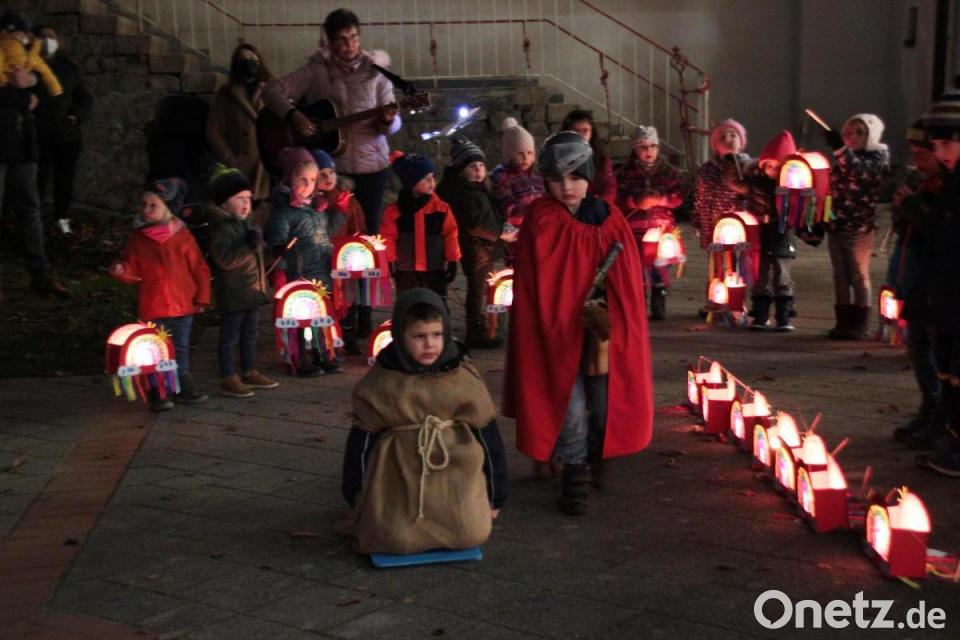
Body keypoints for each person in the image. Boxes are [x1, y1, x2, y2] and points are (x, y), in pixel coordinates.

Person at [503, 132, 653, 515]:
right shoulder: (542, 218)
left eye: (574, 177)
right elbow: (541, 280)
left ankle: (597, 454)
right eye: (555, 179)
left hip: (601, 334)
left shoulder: (610, 218)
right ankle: (574, 471)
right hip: (555, 333)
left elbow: (626, 282)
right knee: (567, 405)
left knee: (604, 402)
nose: (566, 187)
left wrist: (610, 317)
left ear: (588, 176)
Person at [341, 287, 507, 553]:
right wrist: (356, 495)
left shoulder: (462, 377)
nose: (429, 344)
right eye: (419, 336)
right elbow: (360, 445)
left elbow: (489, 440)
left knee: (470, 532)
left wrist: (495, 496)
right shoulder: (382, 381)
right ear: (400, 337)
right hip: (399, 476)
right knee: (394, 537)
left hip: (456, 476)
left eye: (437, 335)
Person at [263, 8, 400, 234]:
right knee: (332, 231)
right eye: (342, 40)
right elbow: (271, 90)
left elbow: (393, 126)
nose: (350, 45)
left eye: (354, 37)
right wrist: (292, 115)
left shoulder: (377, 73)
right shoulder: (315, 71)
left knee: (369, 230)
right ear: (330, 42)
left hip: (373, 166)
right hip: (331, 169)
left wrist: (387, 121)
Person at [108, 178, 211, 411]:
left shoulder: (182, 237)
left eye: (152, 205)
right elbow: (132, 268)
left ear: (168, 207)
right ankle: (159, 388)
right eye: (143, 204)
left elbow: (199, 268)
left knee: (181, 346)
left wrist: (202, 296)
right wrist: (122, 271)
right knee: (155, 348)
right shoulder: (138, 239)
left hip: (183, 306)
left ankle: (181, 383)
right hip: (153, 306)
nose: (145, 210)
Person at [0, 12, 67, 301]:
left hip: (23, 145)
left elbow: (47, 95)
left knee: (30, 210)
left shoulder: (31, 63)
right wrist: (22, 96)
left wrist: (29, 87)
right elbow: (26, 96)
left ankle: (40, 274)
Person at [912, 93, 960, 476]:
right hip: (942, 294)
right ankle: (948, 433)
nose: (941, 153)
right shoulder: (949, 184)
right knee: (946, 367)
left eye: (947, 143)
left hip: (954, 295)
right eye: (937, 145)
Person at [889, 122, 944, 448]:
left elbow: (938, 232)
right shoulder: (922, 184)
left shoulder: (945, 191)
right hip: (914, 281)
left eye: (923, 153)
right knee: (918, 345)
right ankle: (929, 408)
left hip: (936, 284)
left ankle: (941, 416)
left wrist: (912, 207)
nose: (917, 160)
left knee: (936, 351)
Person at [264, 147, 341, 375]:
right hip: (298, 275)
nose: (308, 185)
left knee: (320, 317)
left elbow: (327, 232)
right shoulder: (284, 212)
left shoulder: (318, 209)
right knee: (298, 321)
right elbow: (277, 239)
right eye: (302, 180)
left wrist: (340, 213)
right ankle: (298, 359)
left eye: (313, 180)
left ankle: (322, 353)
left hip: (320, 273)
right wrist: (280, 258)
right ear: (290, 179)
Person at [206, 165, 278, 398]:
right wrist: (249, 244)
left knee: (250, 333)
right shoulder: (220, 228)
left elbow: (257, 256)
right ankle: (228, 375)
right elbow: (225, 260)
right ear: (224, 202)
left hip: (251, 292)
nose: (246, 203)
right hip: (233, 293)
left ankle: (249, 370)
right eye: (239, 198)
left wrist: (265, 249)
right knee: (230, 336)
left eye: (248, 197)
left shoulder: (249, 224)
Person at [436, 137, 516, 349]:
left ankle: (486, 321)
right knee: (477, 286)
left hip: (486, 246)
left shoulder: (480, 188)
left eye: (481, 165)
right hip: (475, 247)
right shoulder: (463, 193)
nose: (479, 170)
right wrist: (499, 235)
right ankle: (475, 327)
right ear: (461, 169)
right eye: (472, 166)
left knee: (482, 285)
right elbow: (473, 224)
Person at [822, 113, 889, 340]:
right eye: (848, 131)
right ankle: (842, 323)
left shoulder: (877, 157)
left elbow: (859, 171)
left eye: (860, 131)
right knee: (840, 276)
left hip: (859, 228)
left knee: (859, 277)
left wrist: (841, 150)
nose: (852, 136)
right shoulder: (843, 157)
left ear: (872, 134)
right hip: (837, 224)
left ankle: (860, 324)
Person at [727, 130, 798, 330]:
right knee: (760, 274)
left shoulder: (791, 186)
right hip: (759, 232)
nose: (772, 170)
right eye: (769, 165)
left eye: (778, 166)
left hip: (782, 233)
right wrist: (734, 162)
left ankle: (784, 316)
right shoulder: (755, 183)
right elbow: (735, 183)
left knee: (782, 274)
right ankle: (760, 315)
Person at [615, 125, 685, 320]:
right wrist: (634, 202)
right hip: (634, 229)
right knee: (635, 267)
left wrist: (661, 199)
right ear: (635, 149)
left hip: (662, 230)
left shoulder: (668, 173)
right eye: (643, 147)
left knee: (659, 266)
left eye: (653, 146)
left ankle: (658, 298)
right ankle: (637, 301)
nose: (648, 151)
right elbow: (617, 199)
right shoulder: (624, 174)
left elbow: (679, 196)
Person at [32, 24, 93, 231]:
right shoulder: (29, 66)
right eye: (42, 37)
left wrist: (76, 116)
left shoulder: (69, 67)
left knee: (64, 179)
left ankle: (61, 217)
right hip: (38, 134)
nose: (46, 41)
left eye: (50, 36)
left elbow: (84, 97)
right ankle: (34, 218)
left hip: (66, 135)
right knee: (38, 178)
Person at [380, 151, 460, 300]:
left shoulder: (441, 209)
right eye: (425, 178)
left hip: (434, 268)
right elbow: (388, 239)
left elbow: (450, 233)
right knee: (408, 304)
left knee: (436, 304)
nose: (432, 182)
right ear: (411, 182)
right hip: (406, 270)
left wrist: (452, 259)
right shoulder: (395, 212)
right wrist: (389, 264)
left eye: (432, 177)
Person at [206, 43, 272, 216]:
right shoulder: (226, 95)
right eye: (243, 59)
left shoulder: (271, 91)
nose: (249, 63)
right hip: (240, 163)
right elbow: (213, 131)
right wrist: (229, 158)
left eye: (252, 59)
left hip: (265, 164)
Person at [317, 148, 371, 354]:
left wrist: (359, 248)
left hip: (345, 258)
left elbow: (358, 228)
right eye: (322, 174)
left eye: (331, 172)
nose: (328, 178)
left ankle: (349, 335)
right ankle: (329, 336)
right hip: (322, 257)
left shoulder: (348, 200)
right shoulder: (315, 204)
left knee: (348, 298)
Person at [691, 119, 750, 249]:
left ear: (741, 143)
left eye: (733, 135)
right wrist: (696, 222)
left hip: (738, 227)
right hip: (713, 227)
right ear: (715, 146)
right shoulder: (707, 170)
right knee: (716, 263)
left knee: (739, 263)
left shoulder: (746, 167)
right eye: (722, 137)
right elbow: (700, 198)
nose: (728, 139)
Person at [490, 116, 545, 230]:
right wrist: (530, 211)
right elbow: (507, 207)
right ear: (509, 155)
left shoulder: (536, 176)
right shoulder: (502, 176)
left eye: (529, 153)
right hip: (520, 230)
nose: (525, 158)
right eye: (520, 153)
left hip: (542, 226)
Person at [561, 109, 616, 205]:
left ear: (592, 133)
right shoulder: (557, 159)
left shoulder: (601, 160)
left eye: (585, 131)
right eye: (575, 131)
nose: (580, 135)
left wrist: (600, 203)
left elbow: (609, 187)